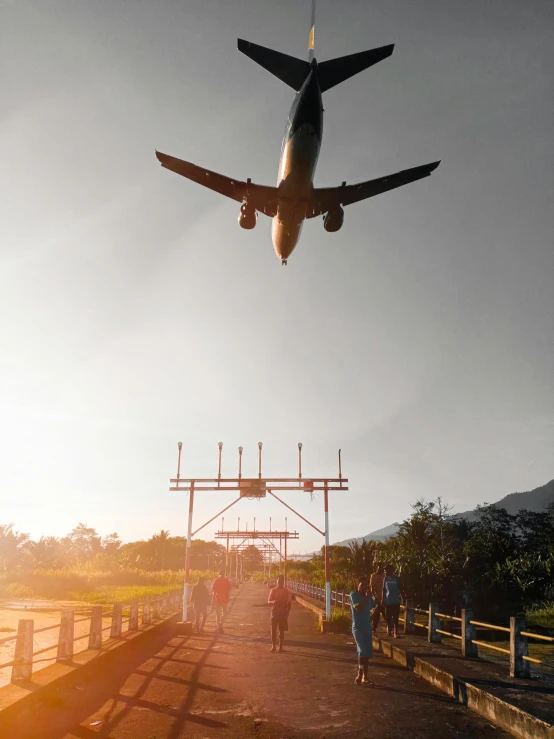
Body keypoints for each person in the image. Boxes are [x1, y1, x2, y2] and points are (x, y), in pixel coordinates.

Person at [349, 575, 377, 685]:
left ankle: (365, 676)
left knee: (367, 652)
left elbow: (377, 605)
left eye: (366, 585)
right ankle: (359, 674)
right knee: (362, 650)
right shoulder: (354, 594)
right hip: (358, 627)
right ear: (358, 584)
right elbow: (358, 608)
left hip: (367, 627)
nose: (365, 587)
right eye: (363, 584)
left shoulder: (368, 596)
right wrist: (367, 597)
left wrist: (374, 595)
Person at [268, 575, 292, 653]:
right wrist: (273, 602)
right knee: (273, 630)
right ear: (277, 581)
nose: (279, 582)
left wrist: (287, 613)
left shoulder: (286, 591)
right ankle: (273, 646)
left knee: (281, 630)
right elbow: (269, 601)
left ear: (283, 582)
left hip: (283, 613)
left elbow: (289, 603)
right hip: (274, 612)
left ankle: (280, 647)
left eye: (281, 581)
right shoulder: (273, 590)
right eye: (278, 581)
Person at [381, 564, 405, 638]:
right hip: (388, 600)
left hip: (395, 601)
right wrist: (382, 598)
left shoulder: (396, 579)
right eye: (385, 571)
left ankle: (395, 632)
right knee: (388, 617)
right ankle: (389, 630)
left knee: (395, 618)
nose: (385, 572)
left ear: (391, 570)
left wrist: (402, 598)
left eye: (386, 570)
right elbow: (383, 589)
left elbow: (400, 589)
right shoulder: (385, 579)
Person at [369, 562, 386, 633]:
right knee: (376, 614)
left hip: (384, 599)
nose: (380, 569)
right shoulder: (373, 576)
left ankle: (389, 628)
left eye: (381, 567)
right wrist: (374, 597)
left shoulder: (385, 576)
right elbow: (372, 587)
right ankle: (374, 627)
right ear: (377, 567)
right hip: (376, 599)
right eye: (379, 567)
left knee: (386, 614)